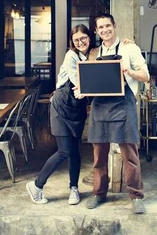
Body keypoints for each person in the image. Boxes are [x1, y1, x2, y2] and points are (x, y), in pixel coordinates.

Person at [26, 24, 134, 205]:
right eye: (76, 40)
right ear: (72, 42)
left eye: (83, 38)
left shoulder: (93, 54)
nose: (80, 42)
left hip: (77, 108)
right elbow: (81, 82)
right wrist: (94, 87)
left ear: (89, 38)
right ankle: (37, 185)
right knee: (64, 151)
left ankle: (73, 188)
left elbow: (111, 55)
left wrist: (127, 44)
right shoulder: (71, 56)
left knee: (75, 151)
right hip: (62, 106)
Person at [75, 14, 150, 215]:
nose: (105, 30)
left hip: (123, 106)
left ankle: (136, 196)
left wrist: (129, 72)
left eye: (108, 25)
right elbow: (87, 80)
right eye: (101, 27)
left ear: (114, 26)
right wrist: (82, 89)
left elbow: (146, 76)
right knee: (99, 156)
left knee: (130, 155)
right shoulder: (93, 53)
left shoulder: (129, 48)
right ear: (97, 31)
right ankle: (99, 194)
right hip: (100, 107)